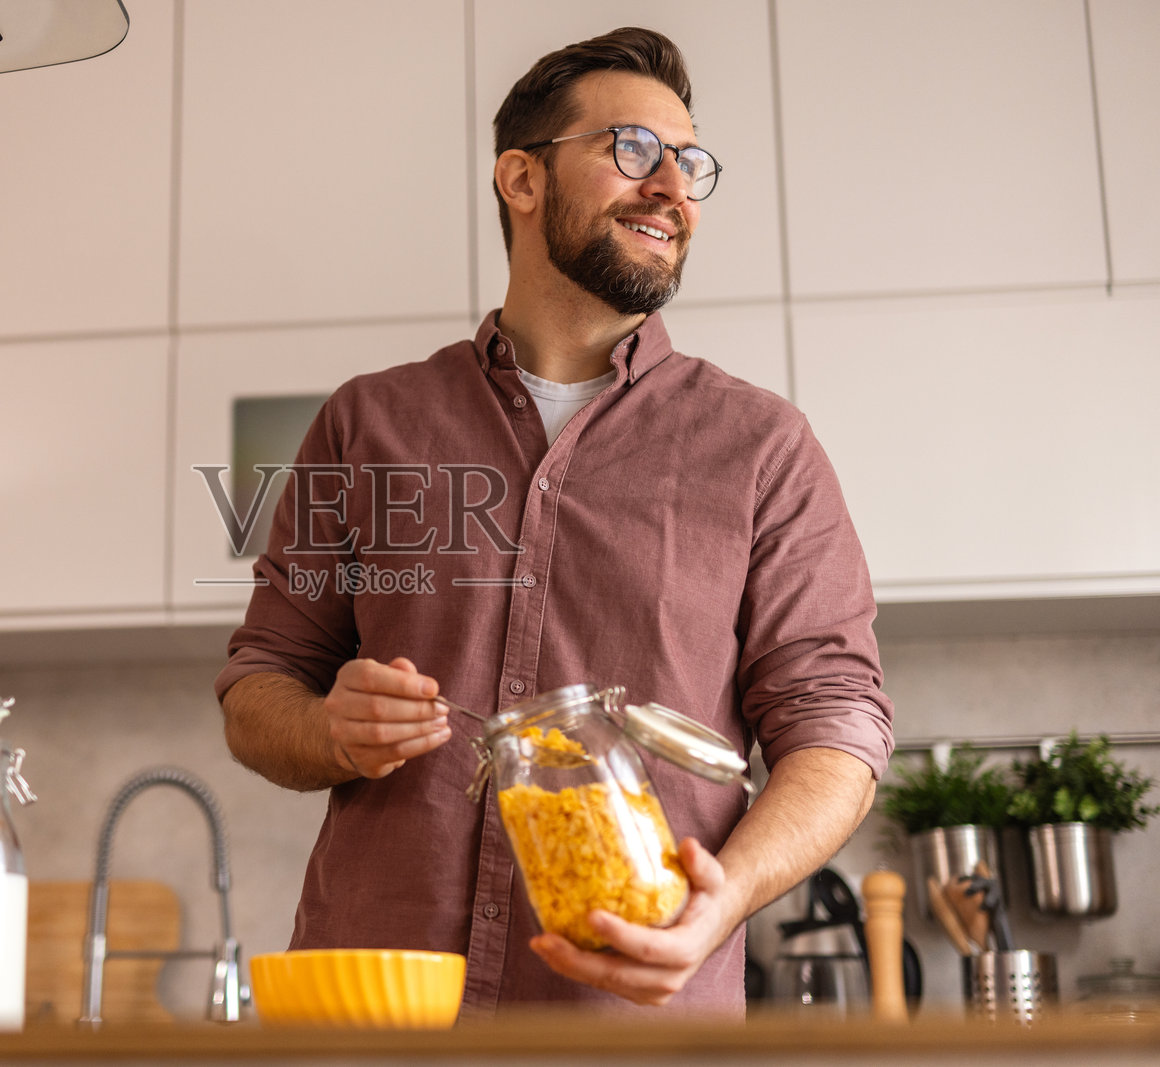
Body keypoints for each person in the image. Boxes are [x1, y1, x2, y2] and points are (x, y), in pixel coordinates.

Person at [213, 26, 893, 1015]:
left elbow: (836, 725)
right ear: (521, 180)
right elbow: (255, 688)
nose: (671, 185)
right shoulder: (368, 422)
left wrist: (728, 897)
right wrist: (326, 726)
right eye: (631, 150)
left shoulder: (761, 447)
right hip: (376, 1013)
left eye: (689, 162)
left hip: (638, 1022)